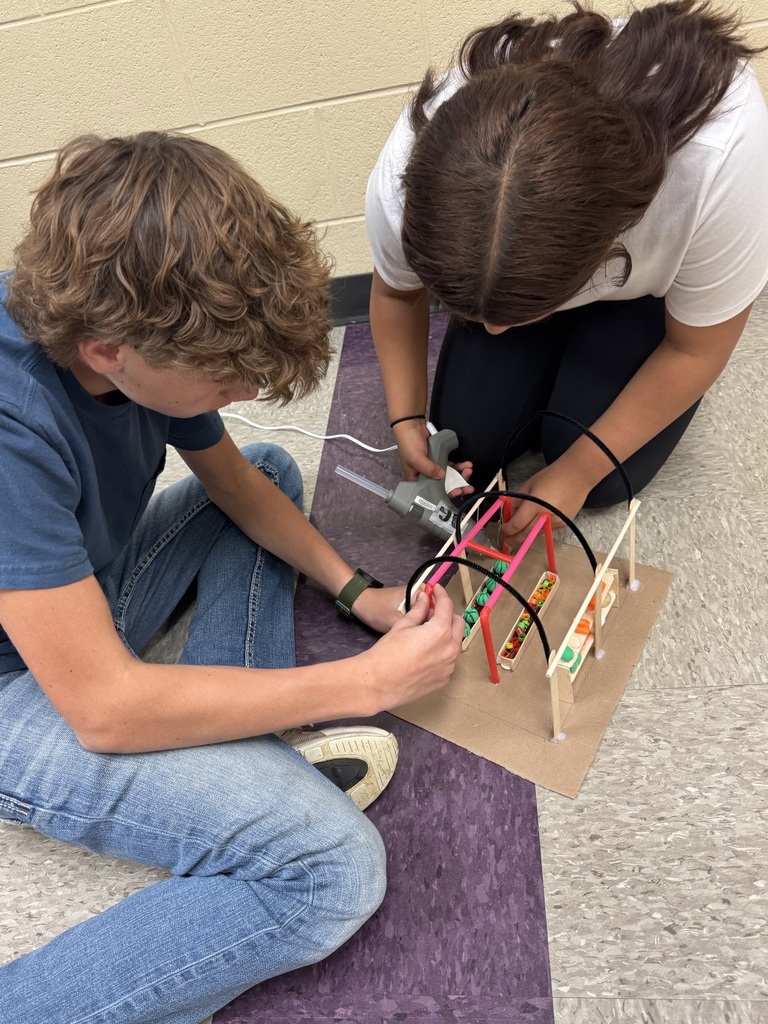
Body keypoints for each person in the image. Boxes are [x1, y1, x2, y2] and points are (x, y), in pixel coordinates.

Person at [0, 132, 464, 1023]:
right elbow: (103, 710)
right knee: (330, 871)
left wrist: (361, 593)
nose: (240, 386)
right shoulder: (12, 430)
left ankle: (241, 749)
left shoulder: (113, 336)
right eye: (220, 374)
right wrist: (363, 682)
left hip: (67, 610)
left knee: (265, 471)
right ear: (107, 351)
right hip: (31, 687)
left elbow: (236, 484)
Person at [366, 0, 768, 545]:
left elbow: (697, 349)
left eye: (523, 312)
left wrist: (577, 473)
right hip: (538, 261)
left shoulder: (719, 156)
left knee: (601, 481)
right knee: (468, 449)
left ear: (609, 250)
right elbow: (395, 294)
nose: (494, 334)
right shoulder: (411, 168)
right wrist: (406, 418)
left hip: (645, 300)